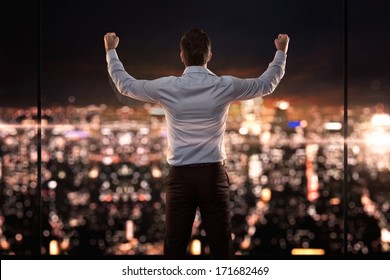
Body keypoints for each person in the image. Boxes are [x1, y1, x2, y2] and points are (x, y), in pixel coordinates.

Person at [104, 28, 289, 259]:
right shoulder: (224, 86)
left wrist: (111, 51)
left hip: (180, 178)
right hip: (213, 176)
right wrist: (281, 52)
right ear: (209, 56)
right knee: (222, 247)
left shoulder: (168, 87)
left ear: (182, 56)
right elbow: (266, 84)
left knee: (174, 248)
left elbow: (126, 85)